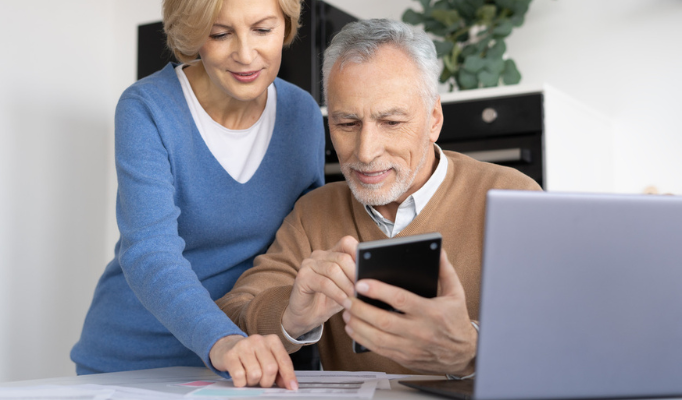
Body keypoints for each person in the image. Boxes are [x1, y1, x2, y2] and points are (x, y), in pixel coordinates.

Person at [216, 18, 541, 378]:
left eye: (391, 122)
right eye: (347, 124)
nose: (366, 152)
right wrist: (292, 315)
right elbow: (230, 315)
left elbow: (563, 334)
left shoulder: (514, 198)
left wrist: (473, 349)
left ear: (433, 119)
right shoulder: (315, 212)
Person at [71, 0, 324, 389]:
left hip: (249, 360)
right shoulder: (148, 107)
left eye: (262, 29)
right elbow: (149, 250)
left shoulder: (302, 114)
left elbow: (304, 241)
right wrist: (222, 341)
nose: (245, 53)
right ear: (192, 35)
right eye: (220, 34)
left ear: (286, 27)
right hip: (135, 362)